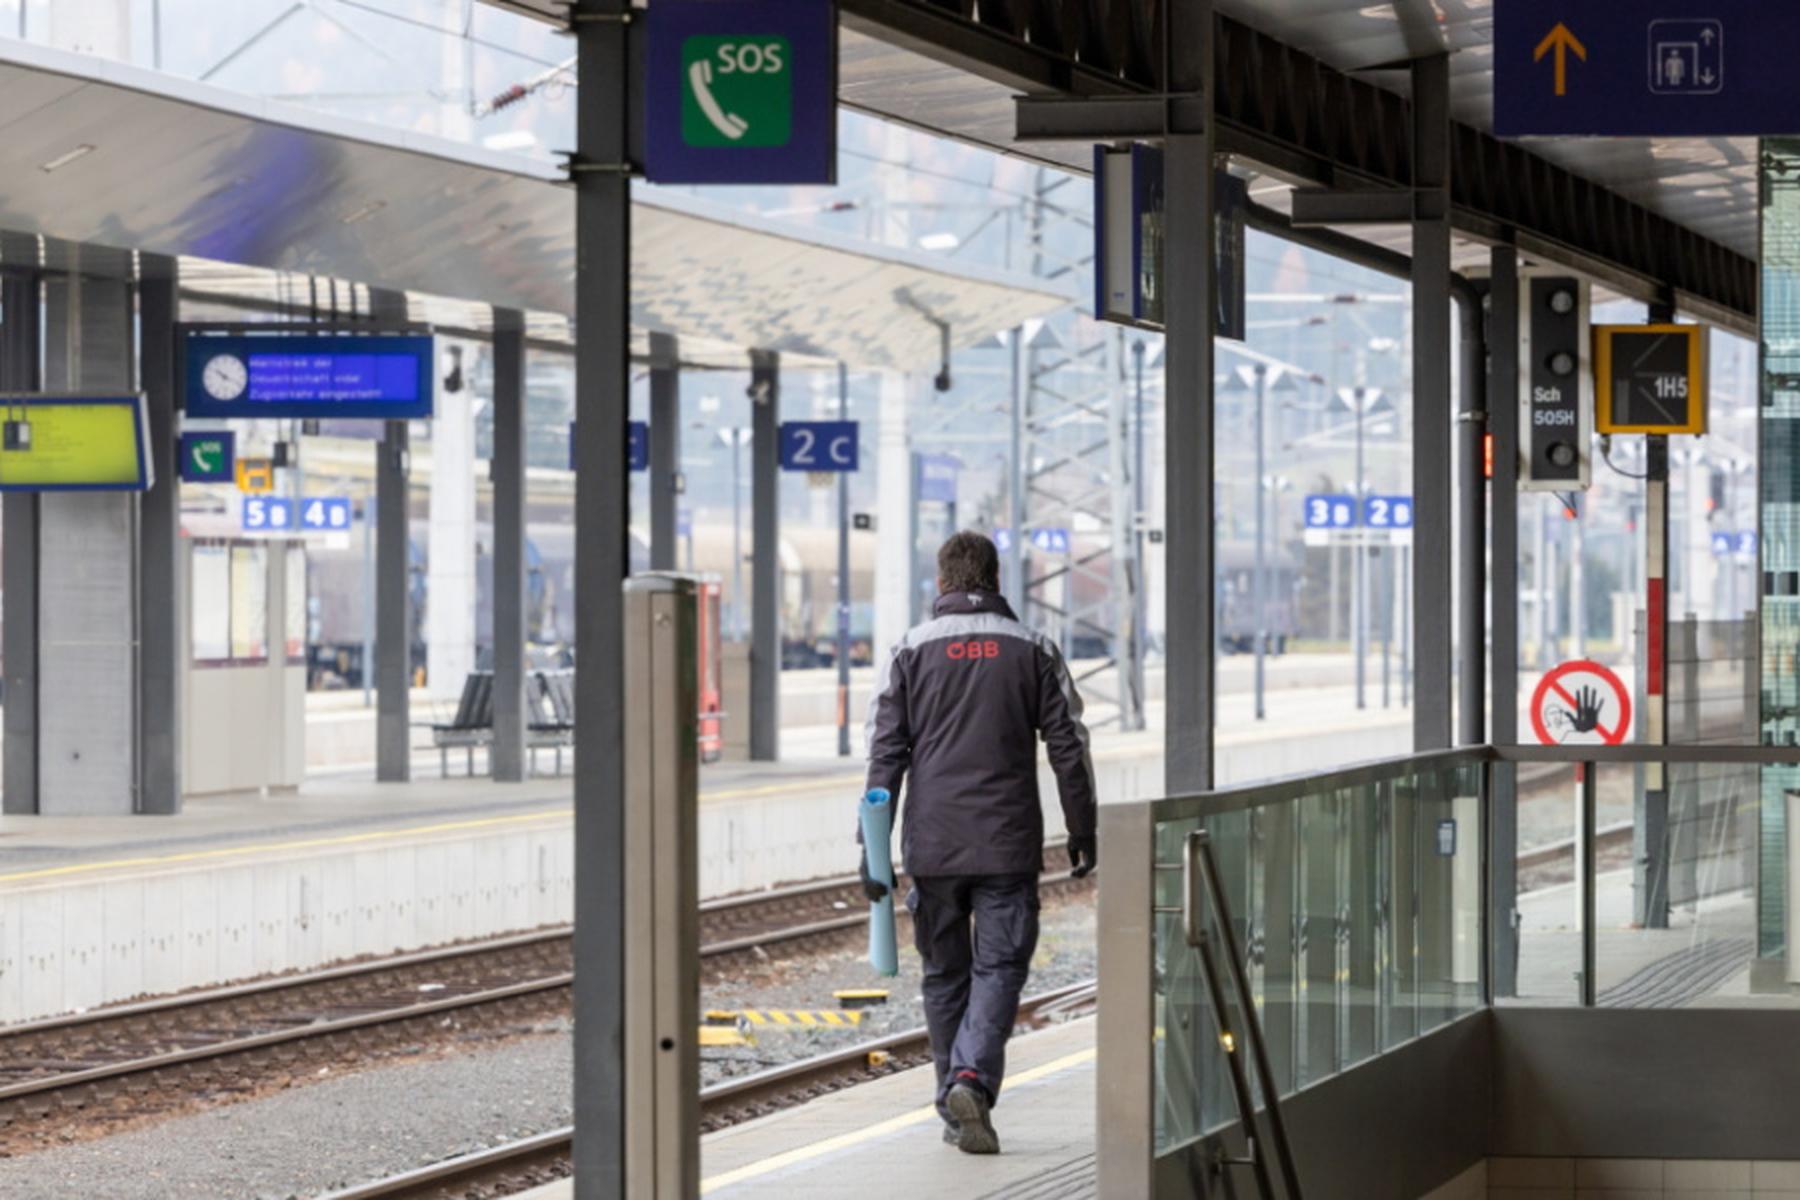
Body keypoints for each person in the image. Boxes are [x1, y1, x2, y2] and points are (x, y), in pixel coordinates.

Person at [858, 530, 1096, 1155]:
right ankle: (970, 1081)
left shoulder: (908, 650)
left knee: (944, 975)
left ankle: (955, 1107)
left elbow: (884, 757)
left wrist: (872, 849)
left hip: (931, 845)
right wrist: (1082, 827)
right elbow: (1069, 745)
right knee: (999, 967)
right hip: (1005, 843)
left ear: (942, 582)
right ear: (994, 579)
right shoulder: (1033, 647)